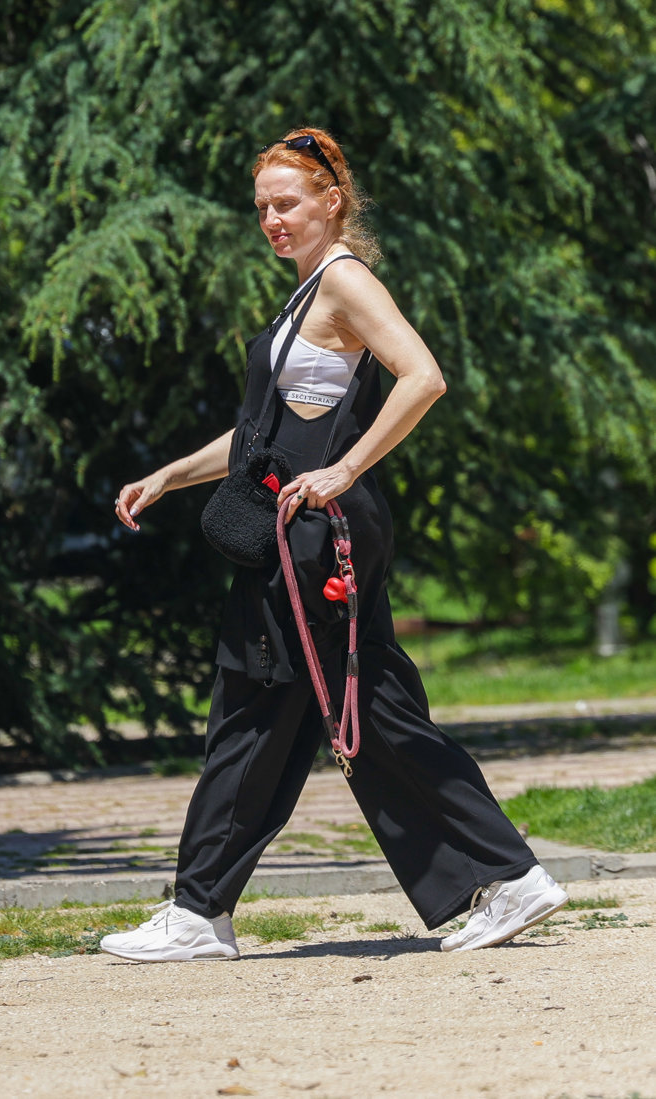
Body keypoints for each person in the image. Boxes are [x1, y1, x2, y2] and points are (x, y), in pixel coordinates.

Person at [101, 128, 567, 962]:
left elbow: (423, 376)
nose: (272, 220)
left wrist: (346, 467)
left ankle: (507, 874)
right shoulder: (307, 291)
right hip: (297, 534)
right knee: (284, 712)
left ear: (331, 200)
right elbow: (264, 434)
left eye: (286, 203)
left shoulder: (345, 280)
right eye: (262, 208)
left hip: (317, 539)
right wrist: (171, 475)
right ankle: (204, 909)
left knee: (343, 709)